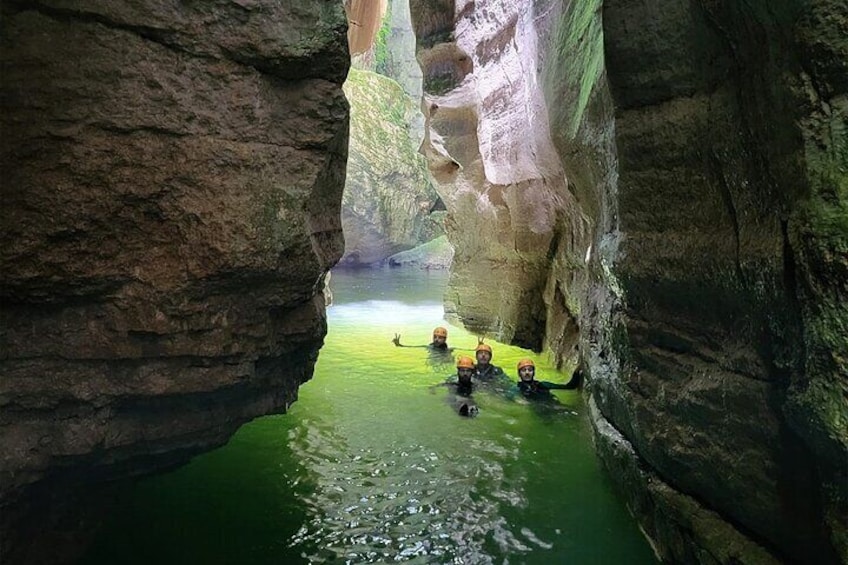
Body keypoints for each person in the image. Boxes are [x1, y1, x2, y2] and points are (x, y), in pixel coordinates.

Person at [509, 358, 581, 400]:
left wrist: (577, 371)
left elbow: (570, 386)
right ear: (519, 374)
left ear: (534, 373)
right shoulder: (516, 389)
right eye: (524, 370)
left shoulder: (543, 385)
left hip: (553, 406)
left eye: (530, 370)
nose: (527, 373)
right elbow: (508, 397)